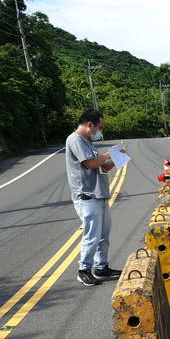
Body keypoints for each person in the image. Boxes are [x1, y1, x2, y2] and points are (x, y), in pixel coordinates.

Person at [65, 109, 122, 287]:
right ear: (89, 125)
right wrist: (108, 154)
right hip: (87, 195)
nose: (100, 132)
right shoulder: (75, 139)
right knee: (92, 235)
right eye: (99, 128)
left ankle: (101, 266)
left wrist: (118, 158)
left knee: (103, 235)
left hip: (99, 194)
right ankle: (83, 270)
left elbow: (103, 167)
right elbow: (90, 163)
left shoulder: (88, 142)